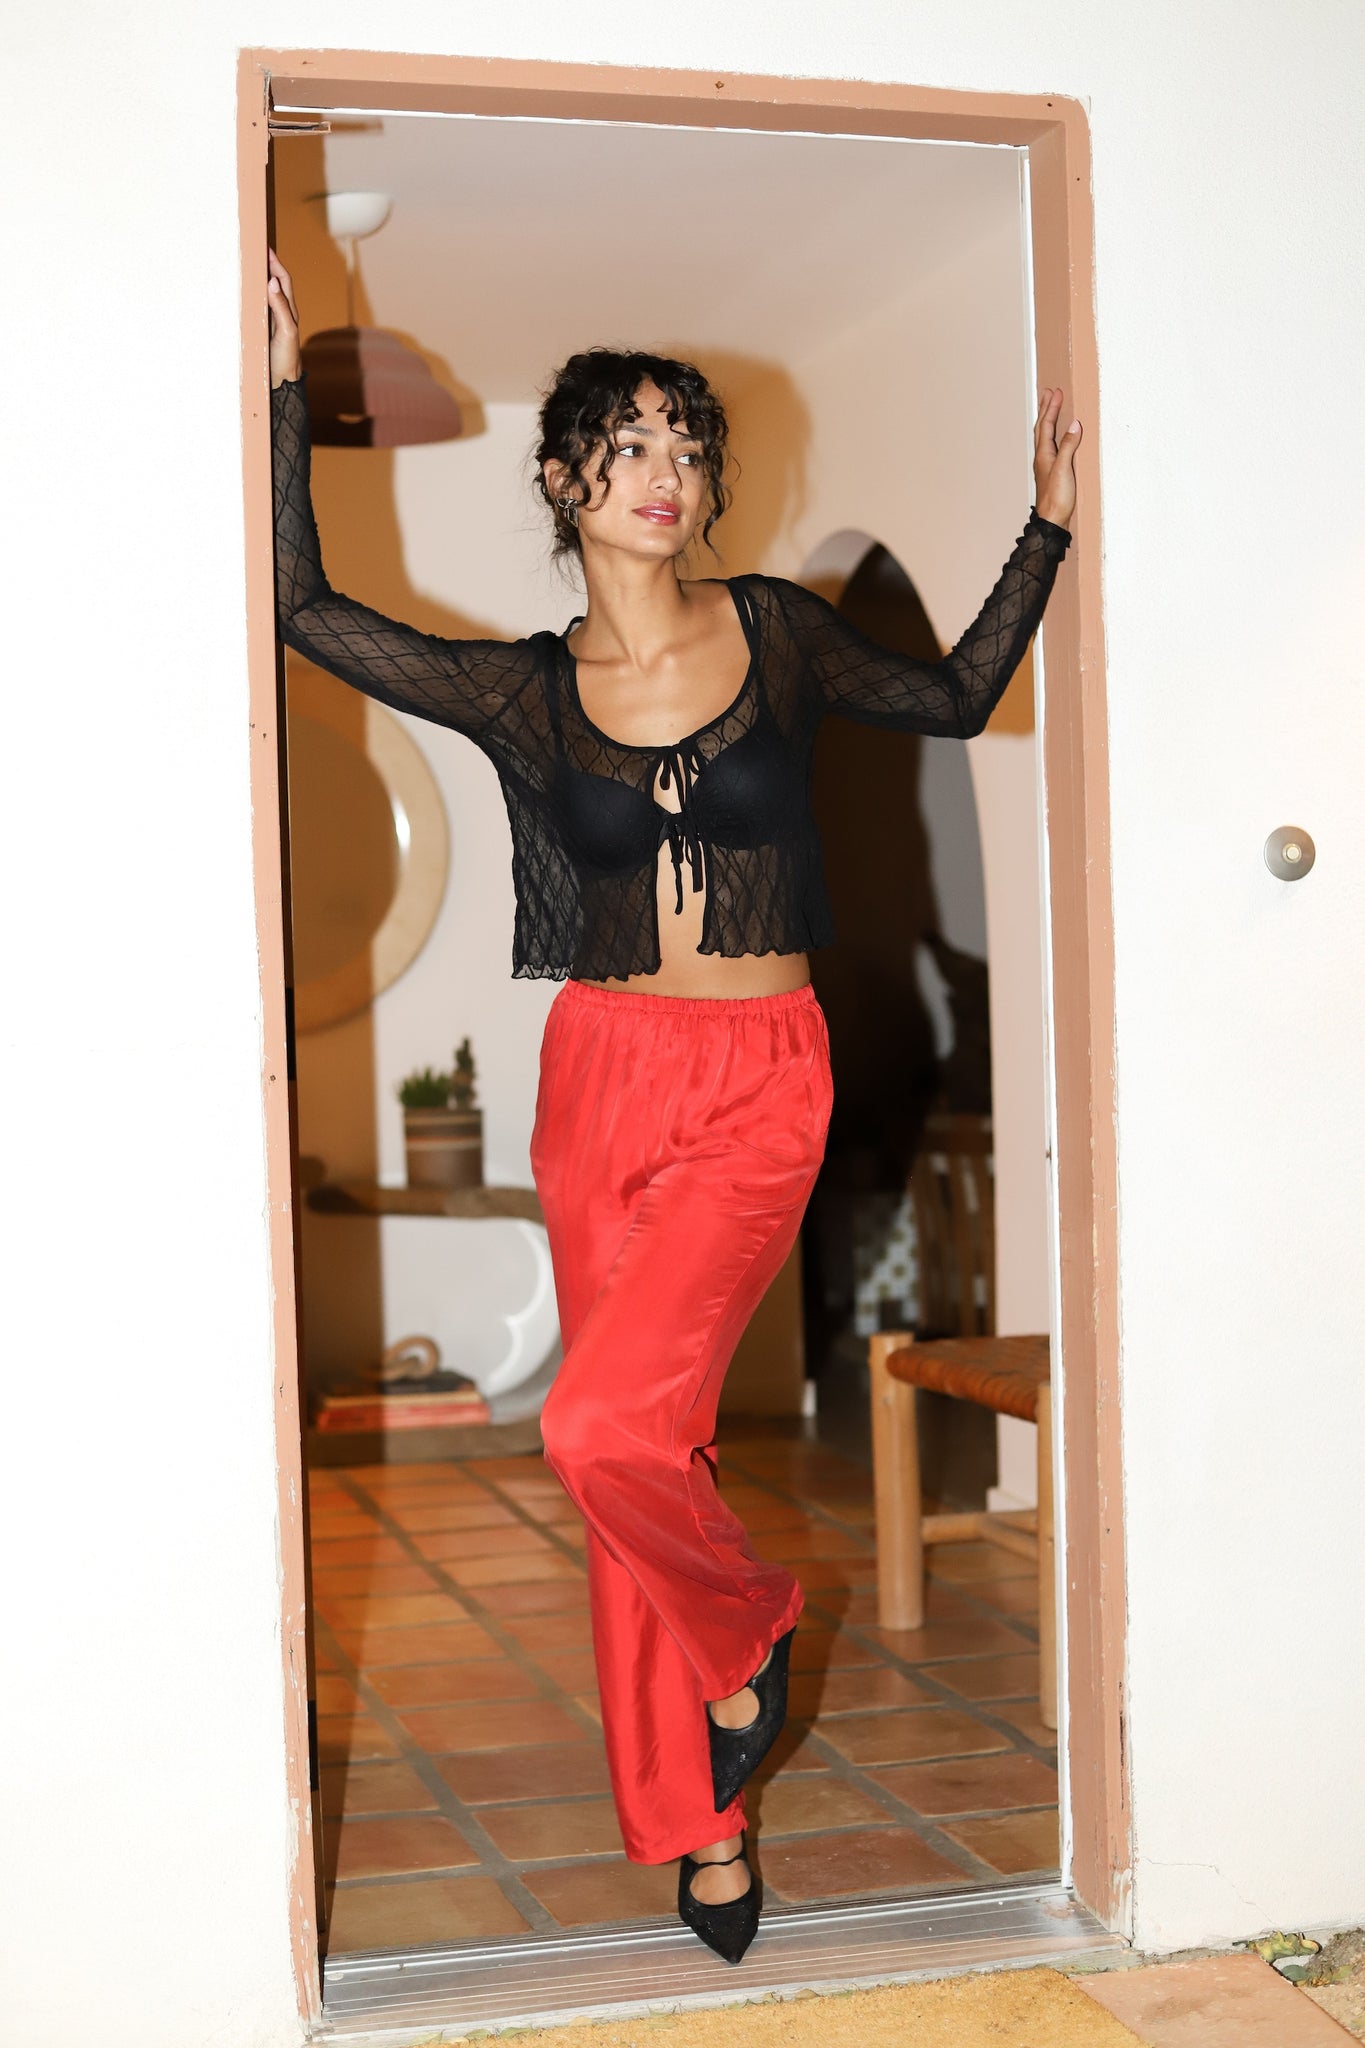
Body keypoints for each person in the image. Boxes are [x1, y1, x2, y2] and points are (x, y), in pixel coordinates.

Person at [267, 250, 1080, 1964]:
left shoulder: (775, 630)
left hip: (759, 1079)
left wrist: (1045, 532)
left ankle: (752, 1623)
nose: (667, 472)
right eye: (630, 444)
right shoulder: (522, 690)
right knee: (649, 1449)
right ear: (565, 478)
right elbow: (305, 608)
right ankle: (701, 1830)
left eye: (687, 448)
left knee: (593, 1431)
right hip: (600, 1081)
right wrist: (277, 397)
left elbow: (952, 697)